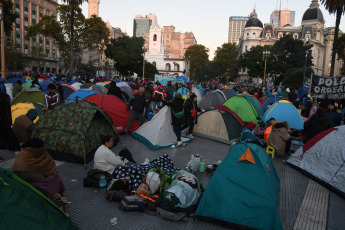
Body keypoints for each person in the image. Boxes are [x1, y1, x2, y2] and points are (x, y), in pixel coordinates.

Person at [12, 138, 68, 212]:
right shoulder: (38, 151)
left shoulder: (23, 152)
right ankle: (51, 193)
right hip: (31, 179)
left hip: (19, 180)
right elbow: (49, 163)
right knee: (54, 176)